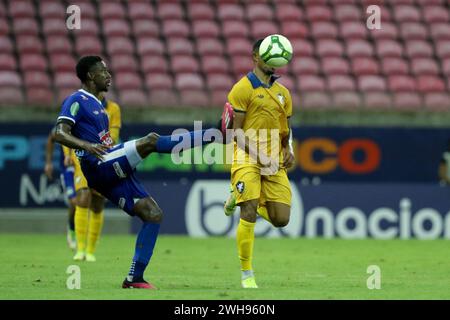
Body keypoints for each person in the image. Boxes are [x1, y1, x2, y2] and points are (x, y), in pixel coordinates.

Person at [54, 55, 231, 289]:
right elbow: (59, 132)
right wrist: (86, 146)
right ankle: (216, 133)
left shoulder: (102, 107)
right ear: (89, 76)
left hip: (108, 171)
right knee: (151, 141)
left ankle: (134, 278)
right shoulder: (76, 100)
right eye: (102, 72)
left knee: (153, 214)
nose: (108, 76)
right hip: (98, 164)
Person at [222, 39, 296, 289]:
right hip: (246, 155)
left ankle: (237, 196)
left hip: (273, 157)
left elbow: (286, 131)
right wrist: (260, 156)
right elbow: (236, 133)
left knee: (281, 219)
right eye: (267, 55)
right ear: (255, 56)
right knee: (249, 211)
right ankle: (247, 273)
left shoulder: (283, 94)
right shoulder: (242, 89)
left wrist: (289, 149)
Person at [68, 93, 122, 263]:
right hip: (82, 156)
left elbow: (113, 135)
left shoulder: (112, 108)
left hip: (102, 156)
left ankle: (91, 250)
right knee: (83, 197)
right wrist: (67, 153)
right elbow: (67, 131)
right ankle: (80, 249)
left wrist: (99, 140)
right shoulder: (78, 103)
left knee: (98, 204)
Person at [44, 128, 77, 250]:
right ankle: (71, 230)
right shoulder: (64, 126)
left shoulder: (86, 124)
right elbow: (51, 138)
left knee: (86, 201)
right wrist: (48, 163)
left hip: (84, 169)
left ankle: (84, 235)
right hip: (68, 170)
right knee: (74, 202)